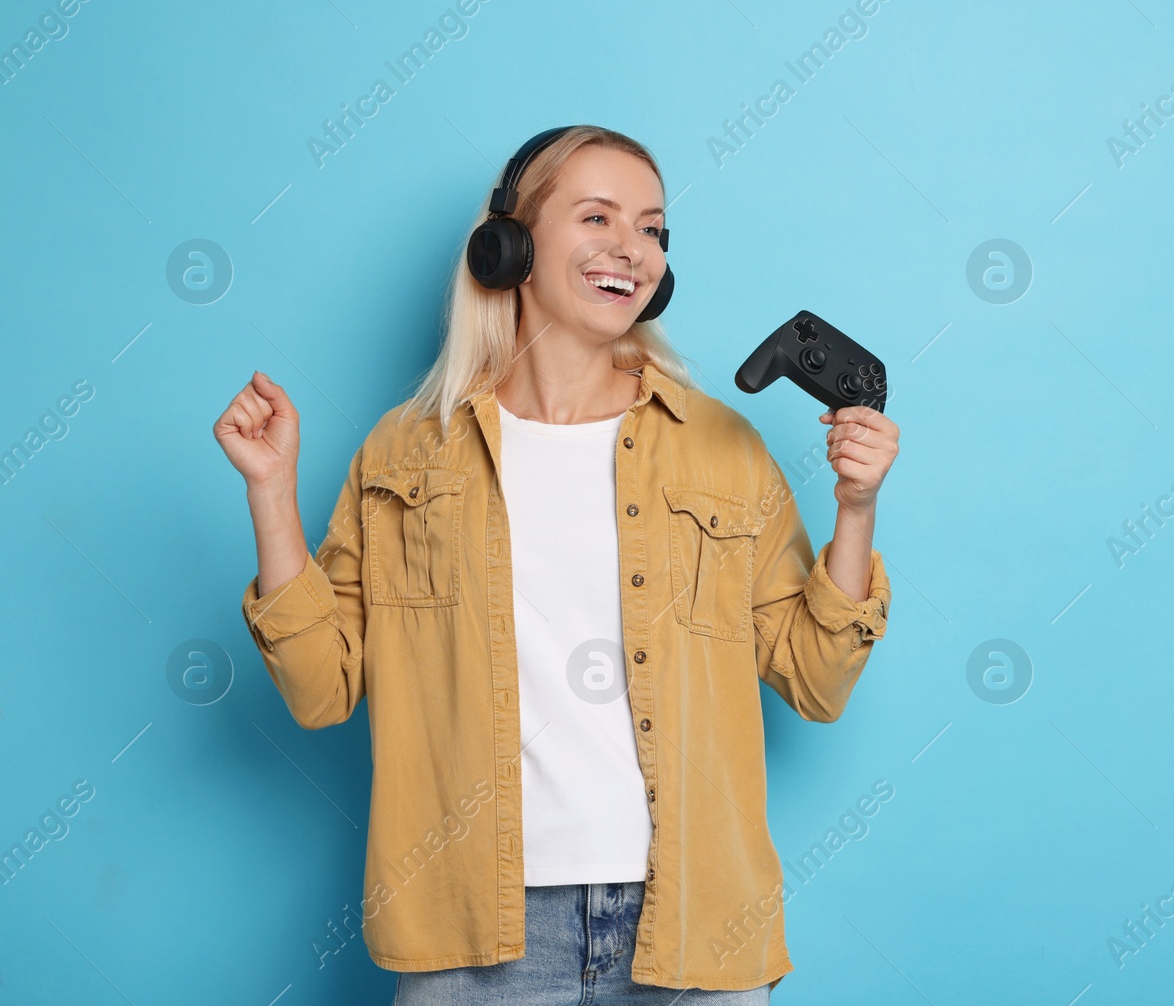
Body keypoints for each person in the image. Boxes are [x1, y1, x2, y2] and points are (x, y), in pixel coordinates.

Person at [212, 125, 899, 1002]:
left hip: (694, 924)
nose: (633, 249)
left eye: (652, 229)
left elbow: (816, 679)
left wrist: (857, 507)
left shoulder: (723, 448)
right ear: (510, 248)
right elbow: (319, 689)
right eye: (598, 217)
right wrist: (271, 494)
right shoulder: (406, 453)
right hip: (473, 933)